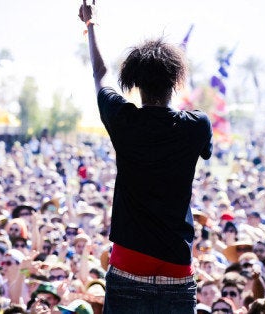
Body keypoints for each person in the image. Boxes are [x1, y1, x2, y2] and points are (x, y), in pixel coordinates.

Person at [78, 1, 213, 313]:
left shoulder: (122, 118)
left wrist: (91, 24)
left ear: (135, 82)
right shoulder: (197, 125)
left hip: (128, 263)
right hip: (176, 266)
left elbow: (100, 73)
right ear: (175, 81)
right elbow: (205, 152)